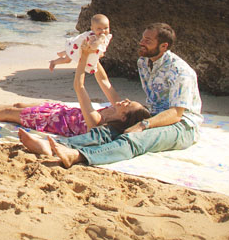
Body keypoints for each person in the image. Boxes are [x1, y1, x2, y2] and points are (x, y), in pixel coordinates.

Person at [19, 22, 203, 168]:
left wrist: (143, 124)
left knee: (134, 138)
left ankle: (78, 156)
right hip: (154, 114)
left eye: (148, 40)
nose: (142, 43)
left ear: (163, 46)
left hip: (181, 125)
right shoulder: (143, 62)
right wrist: (90, 53)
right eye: (143, 38)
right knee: (109, 129)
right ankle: (54, 146)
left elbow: (177, 113)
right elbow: (104, 79)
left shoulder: (180, 72)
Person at [0, 51, 150, 137]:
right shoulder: (115, 108)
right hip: (61, 111)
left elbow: (79, 86)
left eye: (128, 104)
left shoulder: (96, 121)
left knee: (8, 114)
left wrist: (84, 58)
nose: (125, 100)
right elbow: (104, 81)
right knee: (18, 106)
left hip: (51, 121)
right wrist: (94, 56)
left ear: (124, 117)